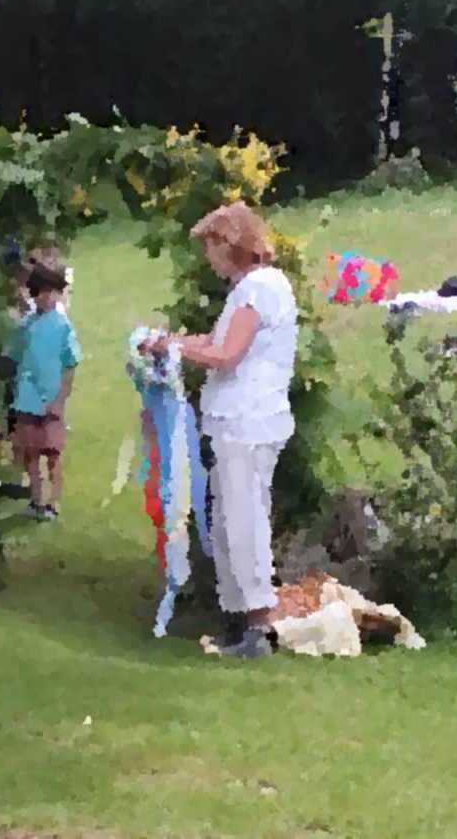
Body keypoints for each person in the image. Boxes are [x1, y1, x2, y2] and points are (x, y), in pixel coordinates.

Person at [158, 201, 297, 658]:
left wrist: (176, 349)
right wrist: (173, 342)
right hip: (239, 422)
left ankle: (257, 622)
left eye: (211, 248)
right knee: (227, 520)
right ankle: (239, 619)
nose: (208, 258)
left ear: (229, 244)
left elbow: (226, 355)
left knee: (243, 521)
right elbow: (218, 343)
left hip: (248, 421)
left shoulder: (258, 288)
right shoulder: (251, 288)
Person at [7, 263, 81, 522]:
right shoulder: (24, 326)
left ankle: (53, 502)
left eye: (53, 292)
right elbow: (14, 357)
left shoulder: (62, 326)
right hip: (27, 398)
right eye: (42, 292)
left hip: (51, 400)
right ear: (33, 294)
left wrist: (60, 399)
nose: (48, 298)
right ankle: (36, 500)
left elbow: (71, 364)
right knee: (30, 451)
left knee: (53, 453)